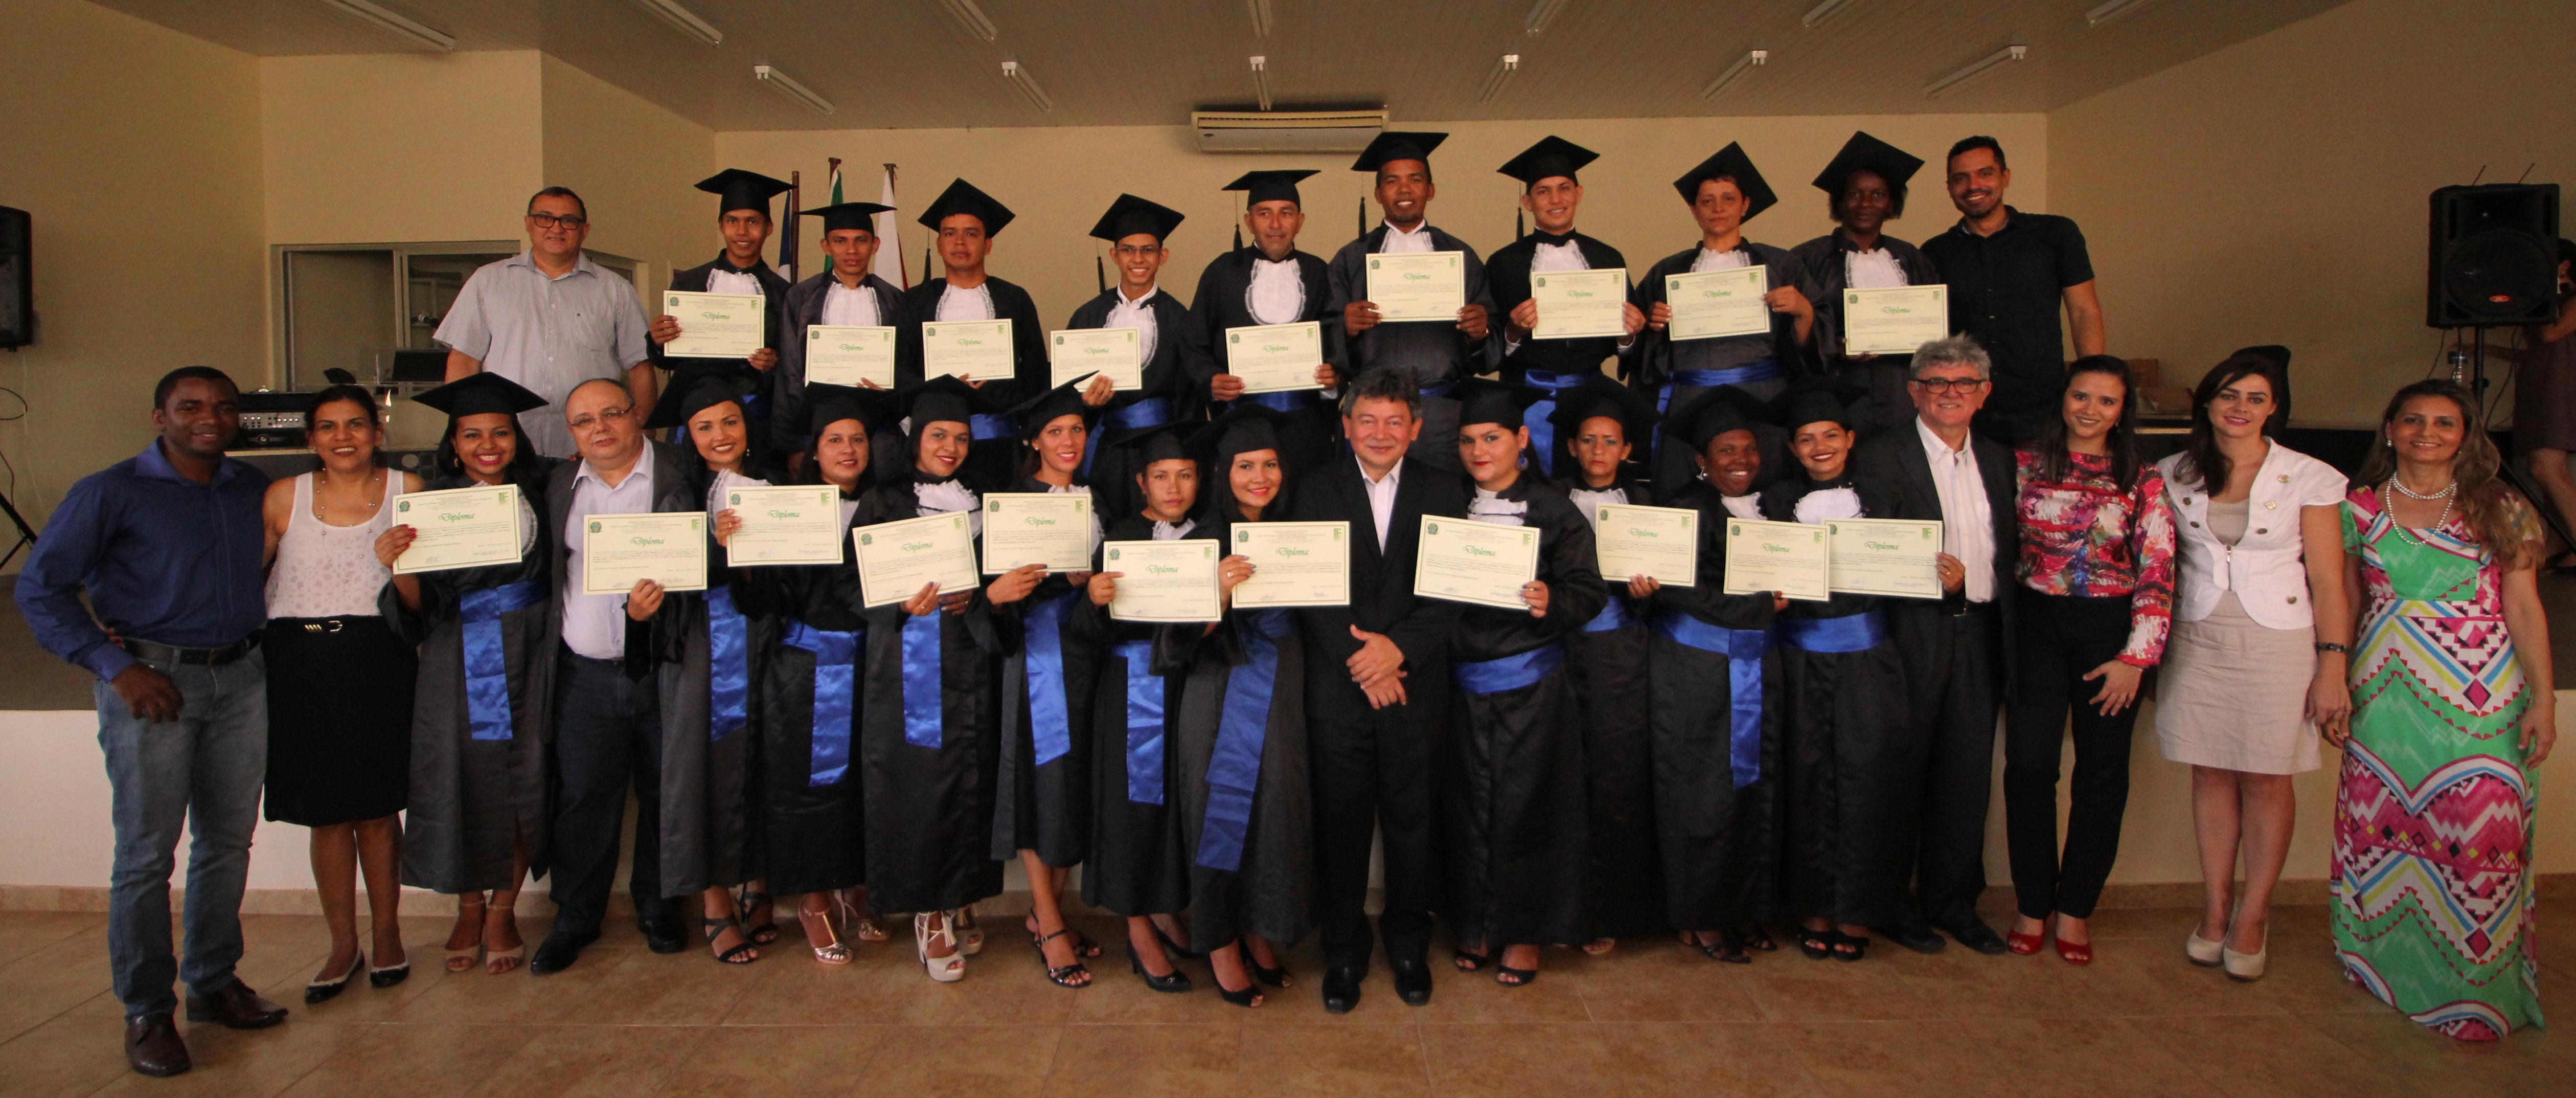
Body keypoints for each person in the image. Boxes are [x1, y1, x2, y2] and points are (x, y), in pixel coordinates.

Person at [15, 367, 287, 1077]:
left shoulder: (251, 487)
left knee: (228, 841)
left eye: (224, 407)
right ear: (159, 415)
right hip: (152, 683)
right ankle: (146, 1009)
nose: (210, 418)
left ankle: (213, 979)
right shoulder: (111, 491)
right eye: (191, 406)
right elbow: (43, 589)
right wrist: (116, 669)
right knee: (145, 855)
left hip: (243, 678)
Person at [2333, 379, 2555, 1041]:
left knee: (2481, 832)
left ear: (2465, 436)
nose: (2425, 432)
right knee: (2385, 830)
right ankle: (2385, 971)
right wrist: (2333, 679)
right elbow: (2342, 600)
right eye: (2411, 419)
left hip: (2480, 695)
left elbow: (2522, 606)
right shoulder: (2355, 508)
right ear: (2388, 428)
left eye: (2442, 422)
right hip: (2384, 694)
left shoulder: (2501, 506)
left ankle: (2474, 995)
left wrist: (2543, 697)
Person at [2152, 353, 2350, 981]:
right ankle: (2213, 907)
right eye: (2228, 394)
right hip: (2197, 633)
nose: (2240, 407)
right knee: (2210, 771)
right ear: (2206, 402)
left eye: (2256, 398)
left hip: (2279, 640)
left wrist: (2332, 665)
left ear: (2273, 409)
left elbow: (2326, 576)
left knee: (2267, 777)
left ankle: (2252, 914)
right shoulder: (2170, 471)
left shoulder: (2308, 475)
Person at [1286, 369, 1469, 1013]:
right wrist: (1362, 658)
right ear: (1346, 425)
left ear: (1416, 429)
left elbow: (1451, 589)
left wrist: (1399, 651)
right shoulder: (1312, 488)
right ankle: (1341, 949)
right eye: (1368, 419)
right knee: (1340, 825)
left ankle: (1409, 943)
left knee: (1411, 821)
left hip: (1416, 688)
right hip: (1340, 689)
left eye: (1395, 421)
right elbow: (1308, 588)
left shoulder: (1445, 489)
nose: (1381, 432)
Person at [854, 376, 1031, 982]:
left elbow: (998, 584)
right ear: (915, 438)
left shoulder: (989, 499)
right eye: (938, 436)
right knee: (922, 782)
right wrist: (903, 605)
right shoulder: (883, 501)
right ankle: (929, 914)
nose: (950, 448)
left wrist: (991, 596)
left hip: (977, 655)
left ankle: (959, 897)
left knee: (973, 775)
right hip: (911, 665)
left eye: (960, 437)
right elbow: (855, 591)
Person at [378, 372, 555, 976]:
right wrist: (399, 564)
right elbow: (415, 605)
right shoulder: (431, 504)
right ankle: (469, 906)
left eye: (500, 432)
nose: (488, 444)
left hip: (534, 646)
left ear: (517, 437)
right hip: (456, 652)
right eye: (473, 434)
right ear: (453, 443)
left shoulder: (546, 488)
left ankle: (504, 909)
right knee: (460, 776)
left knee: (523, 775)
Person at [1847, 338, 2016, 956]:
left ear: (1983, 393)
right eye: (1937, 382)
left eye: (1964, 382)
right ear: (1914, 391)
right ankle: (1893, 902)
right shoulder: (1878, 457)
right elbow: (1865, 554)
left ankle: (1953, 902)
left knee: (1966, 773)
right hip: (1910, 633)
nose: (1951, 392)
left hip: (1981, 630)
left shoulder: (2001, 460)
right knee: (1903, 768)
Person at [2002, 355, 2174, 965]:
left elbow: (2157, 568)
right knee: (2028, 767)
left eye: (2106, 400)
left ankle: (2074, 908)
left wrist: (2137, 656)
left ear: (2121, 410)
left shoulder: (2142, 478)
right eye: (2081, 396)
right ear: (2063, 398)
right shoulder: (2021, 463)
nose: (2090, 409)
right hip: (2033, 625)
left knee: (2100, 773)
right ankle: (2031, 903)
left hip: (2110, 632)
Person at [530, 377, 699, 975]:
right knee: (582, 797)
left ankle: (658, 905)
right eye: (583, 421)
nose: (599, 428)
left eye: (611, 413)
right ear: (571, 432)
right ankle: (576, 916)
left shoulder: (684, 472)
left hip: (665, 666)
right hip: (583, 672)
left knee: (663, 790)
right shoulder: (554, 486)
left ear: (637, 415)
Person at [261, 384, 422, 1001]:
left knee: (377, 808)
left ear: (378, 431)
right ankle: (340, 942)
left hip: (378, 657)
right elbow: (246, 579)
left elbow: (423, 599)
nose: (343, 437)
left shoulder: (409, 493)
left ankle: (387, 935)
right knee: (327, 813)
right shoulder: (282, 497)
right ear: (310, 439)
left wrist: (398, 567)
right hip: (300, 662)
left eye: (356, 424)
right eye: (327, 427)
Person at [1442, 379, 1605, 987]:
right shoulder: (1443, 501)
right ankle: (1475, 920)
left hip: (1531, 686)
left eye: (1491, 438)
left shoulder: (1553, 506)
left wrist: (1550, 599)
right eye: (1467, 440)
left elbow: (1588, 590)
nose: (1479, 451)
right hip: (1458, 685)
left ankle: (1524, 932)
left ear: (1521, 439)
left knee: (1527, 810)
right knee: (1464, 809)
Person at [729, 384, 890, 965]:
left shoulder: (888, 505)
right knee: (806, 788)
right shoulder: (788, 508)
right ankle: (814, 900)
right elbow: (766, 598)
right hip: (804, 669)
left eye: (857, 438)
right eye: (834, 440)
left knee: (862, 786)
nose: (847, 449)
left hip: (871, 665)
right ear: (813, 451)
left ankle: (856, 891)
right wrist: (743, 559)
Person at [1758, 377, 1914, 963]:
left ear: (1849, 438)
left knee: (1864, 779)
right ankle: (1811, 906)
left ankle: (1856, 908)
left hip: (1866, 661)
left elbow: (1908, 573)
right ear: (1793, 449)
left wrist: (1942, 575)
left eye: (1829, 434)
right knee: (1802, 779)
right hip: (1795, 656)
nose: (1818, 446)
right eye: (1805, 438)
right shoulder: (1773, 503)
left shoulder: (1884, 495)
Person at [1168, 405, 1314, 1007]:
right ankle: (1221, 941)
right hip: (1218, 690)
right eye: (1246, 465)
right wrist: (1217, 593)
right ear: (1223, 471)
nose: (1260, 476)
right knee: (1219, 810)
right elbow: (1171, 643)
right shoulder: (1200, 537)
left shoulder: (1302, 533)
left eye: (1271, 464)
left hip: (1283, 687)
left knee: (1276, 811)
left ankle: (1260, 929)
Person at [638, 368, 776, 966]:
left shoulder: (777, 486)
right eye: (704, 425)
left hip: (767, 640)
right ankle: (716, 903)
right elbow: (665, 577)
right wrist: (713, 547)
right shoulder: (676, 496)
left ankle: (760, 883)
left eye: (730, 421)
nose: (720, 434)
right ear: (687, 435)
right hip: (700, 646)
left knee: (765, 760)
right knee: (699, 766)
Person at [1643, 385, 1782, 962]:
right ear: (1701, 461)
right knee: (1701, 794)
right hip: (1695, 668)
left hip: (1758, 663)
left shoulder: (1775, 507)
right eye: (1725, 451)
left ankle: (1745, 906)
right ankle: (1701, 916)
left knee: (1755, 791)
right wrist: (1759, 607)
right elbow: (1682, 592)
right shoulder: (1679, 509)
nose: (1740, 460)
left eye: (1748, 449)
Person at [990, 378, 1108, 988]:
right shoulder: (1011, 506)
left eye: (1077, 429)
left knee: (1075, 780)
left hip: (1091, 657)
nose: (1068, 440)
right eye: (1055, 431)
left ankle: (1046, 913)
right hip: (1039, 657)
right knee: (1043, 783)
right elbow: (996, 597)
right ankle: (1051, 920)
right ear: (1034, 440)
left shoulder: (1097, 501)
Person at [1546, 375, 1666, 953]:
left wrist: (1650, 592)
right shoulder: (1545, 499)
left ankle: (1608, 910)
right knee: (1560, 779)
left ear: (1627, 449)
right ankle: (1558, 910)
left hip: (1622, 655)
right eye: (1588, 440)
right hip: (1557, 651)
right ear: (1571, 446)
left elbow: (1674, 582)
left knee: (1616, 780)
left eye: (1610, 441)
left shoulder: (1647, 504)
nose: (1598, 451)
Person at [1083, 421, 1202, 994]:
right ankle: (1137, 926)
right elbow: (1089, 630)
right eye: (1160, 476)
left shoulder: (1210, 537)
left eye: (1184, 474)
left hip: (1187, 686)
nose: (1173, 487)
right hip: (1130, 688)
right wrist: (1094, 601)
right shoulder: (1120, 538)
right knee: (1132, 805)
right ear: (1141, 481)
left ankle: (1163, 907)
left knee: (1176, 804)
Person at [1630, 143, 1819, 501]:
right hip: (1690, 400)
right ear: (1693, 209)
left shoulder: (1780, 265)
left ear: (1745, 205)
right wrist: (1652, 328)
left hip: (1763, 399)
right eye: (1707, 201)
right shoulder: (1667, 271)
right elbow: (1639, 352)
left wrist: (1804, 311)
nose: (1718, 208)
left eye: (1728, 199)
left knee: (1766, 490)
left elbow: (1811, 351)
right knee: (1688, 496)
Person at [436, 186, 655, 459]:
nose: (556, 228)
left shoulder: (615, 290)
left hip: (591, 446)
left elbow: (639, 365)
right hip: (507, 446)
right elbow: (465, 360)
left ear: (584, 229)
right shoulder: (488, 281)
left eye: (569, 220)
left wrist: (643, 433)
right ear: (528, 224)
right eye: (544, 218)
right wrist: (463, 430)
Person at [1323, 131, 1497, 472]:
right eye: (1392, 181)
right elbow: (1322, 331)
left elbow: (1488, 336)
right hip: (1373, 418)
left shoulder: (1460, 256)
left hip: (1441, 414)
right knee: (1371, 513)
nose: (1404, 190)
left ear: (1430, 190)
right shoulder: (1350, 259)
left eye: (1415, 180)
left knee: (1440, 510)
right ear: (1378, 194)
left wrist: (1480, 332)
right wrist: (1344, 327)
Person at [1919, 137, 2104, 444]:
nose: (1973, 185)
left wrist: (2094, 386)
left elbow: (2084, 311)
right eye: (1960, 178)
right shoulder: (1935, 253)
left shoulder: (2055, 235)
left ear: (2005, 177)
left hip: (2043, 407)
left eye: (1985, 173)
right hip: (1966, 410)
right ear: (1949, 187)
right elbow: (1925, 331)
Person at [1485, 137, 1646, 479]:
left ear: (1578, 193)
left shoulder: (1607, 258)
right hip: (1526, 397)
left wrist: (1628, 336)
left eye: (1563, 188)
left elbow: (1627, 346)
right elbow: (1483, 346)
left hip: (1589, 397)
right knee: (1528, 489)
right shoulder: (1503, 263)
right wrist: (1513, 332)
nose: (1555, 199)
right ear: (1528, 201)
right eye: (1543, 191)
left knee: (1584, 485)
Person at [1066, 194, 1217, 521]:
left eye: (1148, 250)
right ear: (1114, 255)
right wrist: (1087, 407)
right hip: (1104, 447)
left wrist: (1178, 457)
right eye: (1128, 250)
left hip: (1160, 453)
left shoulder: (1182, 320)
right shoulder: (1087, 315)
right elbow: (1065, 394)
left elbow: (1191, 399)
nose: (1138, 258)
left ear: (1162, 256)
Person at [1191, 169, 1342, 478]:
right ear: (1249, 222)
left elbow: (1337, 338)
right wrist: (1212, 380)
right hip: (1241, 425)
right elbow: (1193, 343)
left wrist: (1334, 378)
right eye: (1264, 214)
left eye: (1286, 214)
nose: (1276, 225)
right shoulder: (1220, 273)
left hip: (1306, 426)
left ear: (1300, 221)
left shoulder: (1319, 273)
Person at [901, 179, 1050, 490]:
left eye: (971, 234)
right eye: (950, 234)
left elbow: (1036, 375)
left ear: (988, 244)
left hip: (999, 444)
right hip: (932, 452)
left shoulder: (1014, 299)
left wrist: (993, 394)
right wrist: (942, 389)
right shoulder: (915, 302)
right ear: (939, 244)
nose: (960, 243)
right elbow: (901, 371)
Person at [1793, 132, 1941, 440]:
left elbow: (1935, 329)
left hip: (1905, 394)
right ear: (1840, 201)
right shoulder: (1807, 259)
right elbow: (1789, 333)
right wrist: (1833, 348)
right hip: (1838, 394)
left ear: (1891, 204)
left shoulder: (1912, 258)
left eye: (1878, 195)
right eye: (1855, 194)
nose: (1866, 204)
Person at [649, 170, 795, 460]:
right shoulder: (688, 284)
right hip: (694, 414)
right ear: (721, 226)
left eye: (752, 222)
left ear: (769, 228)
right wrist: (657, 340)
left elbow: (793, 368)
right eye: (733, 221)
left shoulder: (785, 293)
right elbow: (667, 359)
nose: (742, 232)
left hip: (756, 418)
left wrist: (773, 364)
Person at [777, 199, 916, 447]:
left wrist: (892, 397)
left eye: (861, 240)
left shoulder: (895, 299)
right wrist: (795, 443)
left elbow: (906, 367)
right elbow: (790, 371)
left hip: (881, 431)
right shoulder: (801, 297)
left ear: (875, 245)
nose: (852, 250)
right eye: (840, 241)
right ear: (826, 246)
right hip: (819, 429)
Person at [2514, 239, 2576, 564]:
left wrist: (2535, 298)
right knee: (2541, 469)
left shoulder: (2571, 300)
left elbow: (2553, 335)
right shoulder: (2545, 305)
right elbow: (2537, 352)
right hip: (2539, 389)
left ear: (2564, 266)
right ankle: (2559, 545)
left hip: (2561, 391)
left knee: (2547, 467)